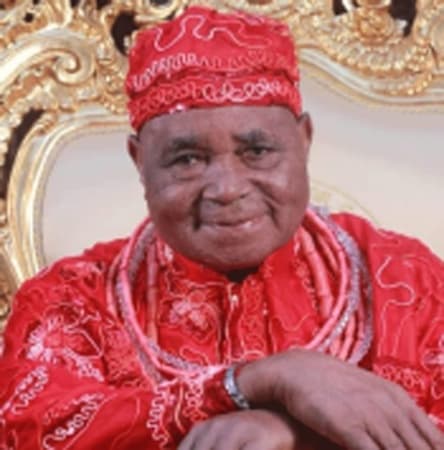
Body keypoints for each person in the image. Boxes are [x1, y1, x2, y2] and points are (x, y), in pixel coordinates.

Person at [0, 6, 443, 450]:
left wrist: (288, 432)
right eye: (188, 159)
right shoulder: (72, 299)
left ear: (304, 140)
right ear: (139, 161)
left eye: (257, 151)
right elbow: (31, 429)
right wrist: (258, 380)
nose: (227, 189)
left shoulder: (406, 278)